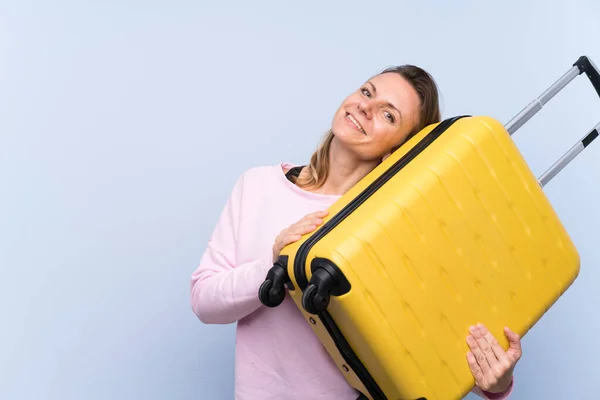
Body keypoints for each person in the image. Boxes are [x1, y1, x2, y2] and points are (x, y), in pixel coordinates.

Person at [190, 64, 521, 399]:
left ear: (399, 150)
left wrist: (496, 385)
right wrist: (272, 265)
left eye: (388, 115)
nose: (365, 107)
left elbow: (430, 339)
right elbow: (204, 301)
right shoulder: (258, 185)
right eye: (367, 92)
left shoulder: (393, 227)